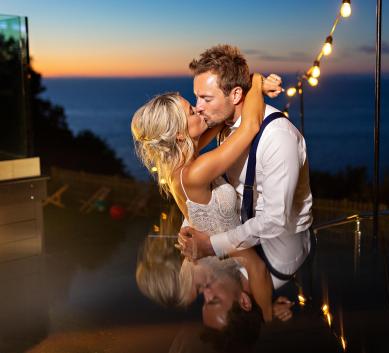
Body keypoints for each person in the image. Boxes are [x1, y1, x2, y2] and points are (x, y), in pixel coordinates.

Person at [131, 67, 284, 319]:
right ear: (179, 133)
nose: (199, 108)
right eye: (191, 111)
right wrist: (255, 82)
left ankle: (265, 313)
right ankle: (267, 317)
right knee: (258, 315)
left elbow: (221, 118)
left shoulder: (180, 161)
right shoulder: (194, 172)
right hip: (229, 257)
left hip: (224, 250)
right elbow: (250, 127)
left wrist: (240, 91)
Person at [179, 44, 313, 291]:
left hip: (279, 252)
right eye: (197, 97)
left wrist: (212, 245)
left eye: (206, 98)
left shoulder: (278, 137)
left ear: (237, 95)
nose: (198, 106)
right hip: (240, 243)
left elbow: (274, 220)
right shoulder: (222, 125)